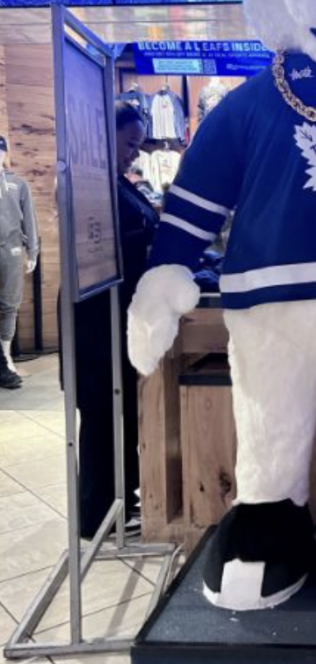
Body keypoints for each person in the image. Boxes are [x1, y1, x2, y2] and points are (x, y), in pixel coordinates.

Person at [70, 102, 159, 538]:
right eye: (129, 144)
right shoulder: (86, 187)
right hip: (94, 322)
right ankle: (96, 517)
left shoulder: (117, 185)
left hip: (116, 317)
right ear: (107, 136)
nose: (134, 154)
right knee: (103, 416)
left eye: (137, 147)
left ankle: (120, 504)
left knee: (120, 413)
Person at [0, 135, 39, 376]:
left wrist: (32, 250)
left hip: (11, 251)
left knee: (9, 305)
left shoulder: (18, 184)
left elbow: (30, 220)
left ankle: (5, 356)